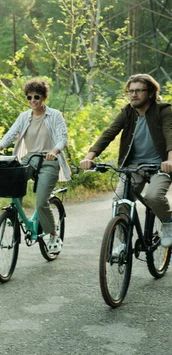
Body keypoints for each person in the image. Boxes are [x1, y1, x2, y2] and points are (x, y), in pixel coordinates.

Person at [79, 73, 172, 247]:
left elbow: (170, 133)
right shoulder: (128, 112)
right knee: (121, 200)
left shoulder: (164, 110)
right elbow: (109, 133)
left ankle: (168, 223)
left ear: (151, 93)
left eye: (139, 91)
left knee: (153, 197)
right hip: (133, 166)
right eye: (131, 91)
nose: (134, 95)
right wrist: (89, 156)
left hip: (160, 166)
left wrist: (170, 160)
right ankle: (123, 243)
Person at [0, 77, 72, 254]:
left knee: (41, 202)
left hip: (49, 159)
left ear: (43, 98)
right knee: (12, 179)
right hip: (29, 158)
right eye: (29, 97)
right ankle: (14, 214)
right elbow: (10, 134)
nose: (33, 101)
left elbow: (62, 137)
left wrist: (55, 151)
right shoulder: (24, 117)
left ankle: (54, 235)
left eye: (37, 97)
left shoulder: (55, 115)